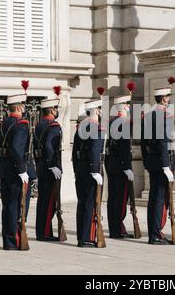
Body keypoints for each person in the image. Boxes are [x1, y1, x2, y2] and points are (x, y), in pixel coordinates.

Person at [141, 87, 175, 245]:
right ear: (163, 99)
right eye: (168, 97)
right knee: (160, 199)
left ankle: (154, 233)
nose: (169, 100)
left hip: (152, 161)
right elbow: (163, 141)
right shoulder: (165, 116)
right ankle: (155, 234)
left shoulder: (148, 115)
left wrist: (147, 160)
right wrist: (166, 165)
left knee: (154, 198)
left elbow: (143, 142)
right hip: (162, 161)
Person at [0, 93, 33, 250]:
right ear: (19, 107)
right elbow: (17, 150)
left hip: (4, 168)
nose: (24, 108)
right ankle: (14, 240)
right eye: (24, 105)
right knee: (15, 205)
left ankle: (8, 239)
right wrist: (22, 170)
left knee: (7, 205)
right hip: (15, 170)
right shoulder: (21, 125)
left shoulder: (4, 123)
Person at [72, 99, 105, 247]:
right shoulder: (97, 128)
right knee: (91, 203)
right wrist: (95, 170)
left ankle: (81, 236)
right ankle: (87, 237)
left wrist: (76, 169)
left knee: (83, 202)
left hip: (80, 168)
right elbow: (94, 150)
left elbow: (75, 152)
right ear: (97, 110)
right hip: (92, 169)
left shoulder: (80, 128)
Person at [105, 95, 135, 239]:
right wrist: (127, 167)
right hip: (120, 165)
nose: (129, 107)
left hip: (111, 164)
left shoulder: (111, 121)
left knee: (113, 198)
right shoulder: (123, 122)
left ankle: (114, 227)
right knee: (120, 199)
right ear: (124, 106)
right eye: (128, 104)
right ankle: (118, 228)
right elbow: (123, 147)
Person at [34, 97, 63, 241]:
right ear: (52, 110)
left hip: (41, 166)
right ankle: (45, 232)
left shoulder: (39, 125)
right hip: (50, 169)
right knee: (50, 202)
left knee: (43, 201)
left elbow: (36, 148)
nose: (57, 112)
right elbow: (48, 146)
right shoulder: (53, 126)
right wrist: (53, 165)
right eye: (56, 109)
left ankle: (42, 231)